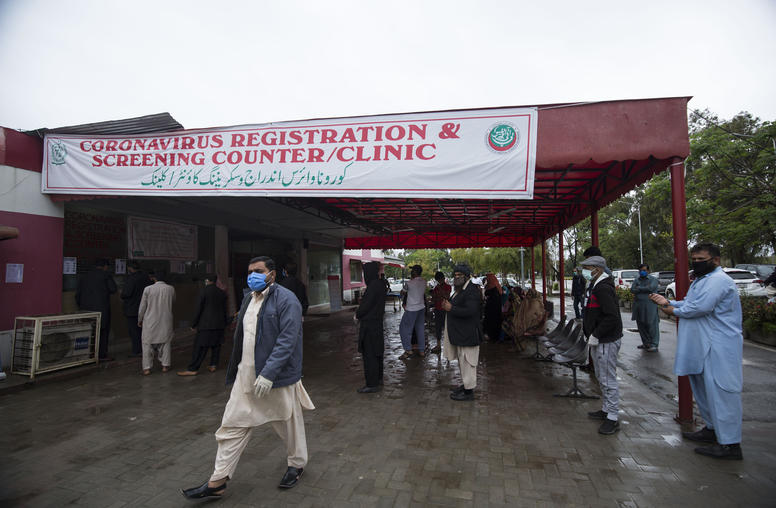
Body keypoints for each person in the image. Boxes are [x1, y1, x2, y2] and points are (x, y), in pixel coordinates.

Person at [181, 256, 314, 499]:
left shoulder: (287, 300)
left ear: (272, 274)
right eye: (250, 271)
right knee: (231, 426)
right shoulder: (247, 299)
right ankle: (218, 480)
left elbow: (288, 339)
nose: (252, 275)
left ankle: (297, 464)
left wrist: (269, 373)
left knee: (289, 424)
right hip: (246, 376)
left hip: (275, 378)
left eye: (258, 271)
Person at [649, 243, 744, 460]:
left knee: (722, 392)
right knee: (703, 390)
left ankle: (730, 444)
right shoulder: (702, 280)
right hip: (703, 346)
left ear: (716, 260)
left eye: (701, 259)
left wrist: (672, 309)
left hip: (719, 347)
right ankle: (712, 429)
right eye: (694, 259)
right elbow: (691, 302)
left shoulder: (719, 281)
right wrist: (669, 302)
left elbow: (699, 308)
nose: (696, 263)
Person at [581, 255, 624, 435]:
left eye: (587, 268)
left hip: (606, 340)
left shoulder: (603, 288)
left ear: (597, 269)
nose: (584, 271)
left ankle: (613, 417)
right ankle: (606, 409)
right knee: (601, 376)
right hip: (600, 339)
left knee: (607, 379)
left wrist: (596, 334)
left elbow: (612, 316)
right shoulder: (596, 285)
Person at [441, 263, 483, 401]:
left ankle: (469, 392)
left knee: (468, 362)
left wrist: (451, 308)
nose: (456, 277)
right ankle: (466, 386)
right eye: (455, 275)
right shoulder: (460, 290)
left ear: (466, 277)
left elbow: (470, 311)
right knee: (462, 362)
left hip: (468, 334)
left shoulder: (471, 291)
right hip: (461, 334)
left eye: (460, 275)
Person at [178, 275, 228, 376]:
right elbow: (224, 310)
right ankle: (213, 365)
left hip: (206, 325)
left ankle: (193, 369)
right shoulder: (222, 293)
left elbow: (198, 309)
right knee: (216, 345)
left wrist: (194, 324)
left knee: (200, 347)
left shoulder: (203, 291)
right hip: (219, 324)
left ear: (207, 281)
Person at [76, 258, 117, 361]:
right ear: (105, 267)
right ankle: (101, 355)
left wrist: (81, 306)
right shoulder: (105, 275)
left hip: (86, 310)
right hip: (102, 309)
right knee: (102, 332)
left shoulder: (84, 276)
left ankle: (88, 354)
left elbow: (77, 295)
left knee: (89, 331)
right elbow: (113, 289)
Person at [355, 262, 386, 393]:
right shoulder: (381, 284)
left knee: (370, 355)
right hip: (377, 324)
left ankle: (372, 383)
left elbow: (365, 307)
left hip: (369, 325)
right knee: (377, 353)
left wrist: (357, 314)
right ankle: (378, 379)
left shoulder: (372, 286)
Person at [137, 271, 176, 375]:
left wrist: (139, 319)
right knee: (166, 343)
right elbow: (173, 301)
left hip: (150, 320)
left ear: (154, 278)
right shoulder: (171, 289)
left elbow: (142, 307)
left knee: (147, 344)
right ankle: (165, 366)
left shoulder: (148, 289)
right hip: (166, 320)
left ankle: (147, 368)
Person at [120, 261, 151, 358]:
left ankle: (137, 350)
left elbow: (126, 294)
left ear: (130, 268)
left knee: (134, 331)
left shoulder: (131, 279)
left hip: (132, 309)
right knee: (144, 330)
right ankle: (146, 349)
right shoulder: (146, 277)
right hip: (145, 308)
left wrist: (122, 294)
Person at [399, 265, 427, 359]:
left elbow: (402, 292)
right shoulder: (424, 281)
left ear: (414, 272)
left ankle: (408, 350)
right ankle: (422, 351)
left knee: (404, 329)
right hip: (421, 308)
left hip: (411, 309)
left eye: (412, 270)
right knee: (420, 329)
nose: (411, 272)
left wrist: (403, 294)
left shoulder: (409, 283)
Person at [630, 263, 660, 352]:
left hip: (650, 305)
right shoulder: (637, 279)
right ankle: (646, 343)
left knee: (651, 324)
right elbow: (632, 290)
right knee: (641, 325)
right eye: (640, 271)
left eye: (644, 270)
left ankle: (654, 344)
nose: (642, 272)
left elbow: (651, 288)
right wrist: (643, 288)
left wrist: (639, 288)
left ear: (648, 271)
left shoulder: (653, 279)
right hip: (638, 306)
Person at [429, 271, 451, 354]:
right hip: (438, 309)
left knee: (446, 328)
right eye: (438, 280)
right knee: (437, 328)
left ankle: (448, 346)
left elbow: (447, 296)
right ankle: (438, 346)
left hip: (445, 310)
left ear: (443, 279)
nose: (439, 282)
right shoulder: (436, 288)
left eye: (440, 280)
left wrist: (440, 292)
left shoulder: (448, 287)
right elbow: (434, 298)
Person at [483, 273, 503, 342]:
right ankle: (494, 337)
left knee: (492, 323)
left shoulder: (492, 287)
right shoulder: (497, 286)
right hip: (495, 309)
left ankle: (492, 337)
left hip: (492, 309)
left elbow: (487, 294)